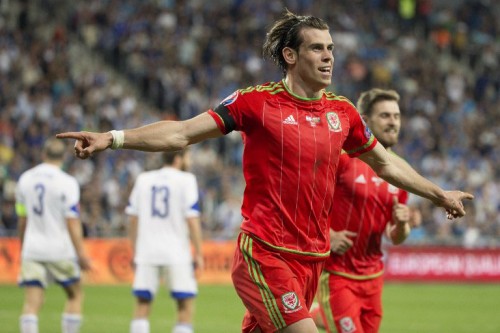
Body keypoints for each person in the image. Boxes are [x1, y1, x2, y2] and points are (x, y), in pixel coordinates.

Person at [57, 9, 473, 333]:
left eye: (330, 48)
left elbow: (385, 162)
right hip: (265, 254)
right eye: (317, 48)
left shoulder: (342, 113)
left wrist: (439, 194)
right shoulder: (255, 103)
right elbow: (181, 133)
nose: (328, 56)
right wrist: (112, 137)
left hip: (312, 260)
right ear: (290, 56)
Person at [310, 88, 422, 333]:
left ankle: (311, 317)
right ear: (366, 121)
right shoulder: (342, 158)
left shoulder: (401, 171)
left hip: (373, 279)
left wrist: (403, 225)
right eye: (385, 116)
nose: (393, 122)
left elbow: (395, 237)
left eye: (396, 116)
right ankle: (307, 317)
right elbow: (306, 203)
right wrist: (327, 234)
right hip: (337, 273)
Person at [15, 138, 91, 333]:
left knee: (32, 303)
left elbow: (22, 219)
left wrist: (23, 247)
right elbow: (72, 221)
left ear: (43, 155)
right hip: (60, 249)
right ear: (64, 157)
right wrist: (81, 253)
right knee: (75, 295)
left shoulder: (25, 179)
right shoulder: (67, 182)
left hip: (33, 248)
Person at [127, 149, 203, 333]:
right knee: (184, 306)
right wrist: (199, 253)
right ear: (178, 159)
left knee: (142, 305)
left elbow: (133, 218)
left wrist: (134, 250)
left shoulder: (143, 179)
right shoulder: (187, 180)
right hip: (176, 252)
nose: (189, 161)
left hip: (146, 252)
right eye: (187, 156)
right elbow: (192, 219)